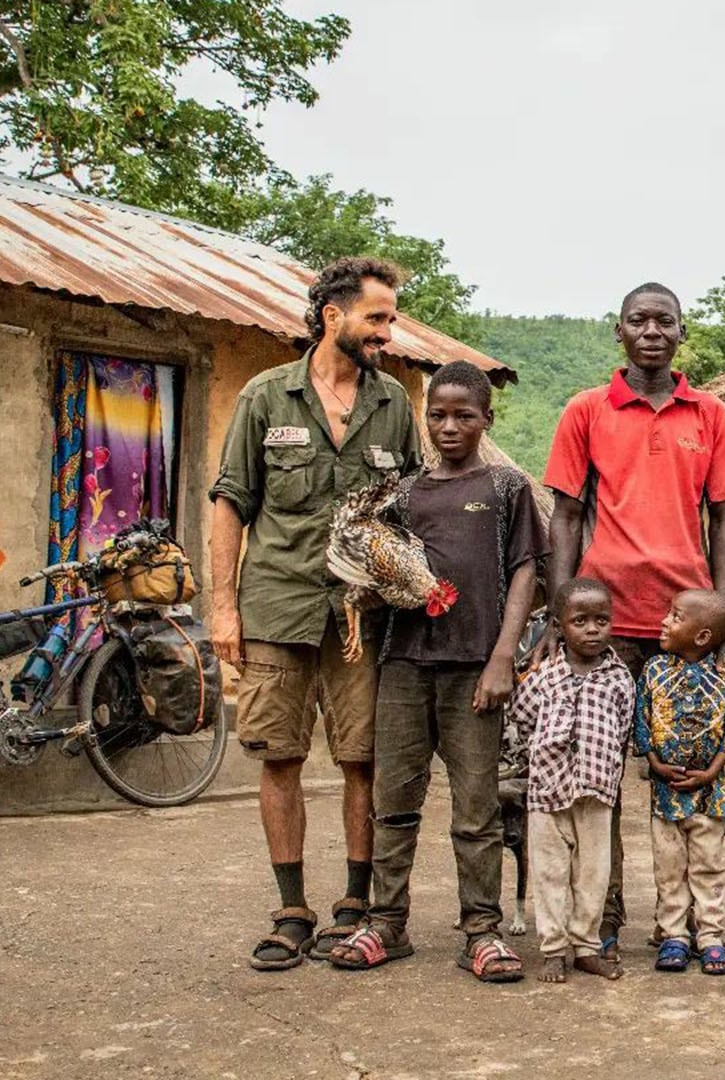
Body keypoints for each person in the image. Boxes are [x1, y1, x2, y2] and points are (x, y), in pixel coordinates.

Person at [209, 256, 422, 971]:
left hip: (360, 619)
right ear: (333, 316)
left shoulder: (393, 403)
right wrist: (222, 609)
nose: (387, 333)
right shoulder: (266, 397)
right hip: (276, 604)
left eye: (390, 319)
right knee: (280, 757)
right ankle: (291, 908)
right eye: (378, 318)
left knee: (363, 758)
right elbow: (230, 501)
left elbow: (413, 508)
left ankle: (356, 905)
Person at [541, 282, 725, 959]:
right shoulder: (586, 411)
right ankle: (600, 917)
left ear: (681, 333)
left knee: (685, 773)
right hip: (603, 624)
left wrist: (722, 615)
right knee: (595, 777)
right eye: (639, 320)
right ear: (619, 332)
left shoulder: (710, 414)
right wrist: (558, 612)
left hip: (684, 628)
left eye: (665, 320)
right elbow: (567, 518)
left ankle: (689, 925)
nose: (652, 330)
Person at [324, 362, 541, 982]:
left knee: (477, 807)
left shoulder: (506, 489)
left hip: (474, 666)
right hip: (404, 665)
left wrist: (504, 656)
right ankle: (386, 923)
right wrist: (369, 589)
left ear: (487, 419)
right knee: (394, 801)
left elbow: (526, 569)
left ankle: (482, 930)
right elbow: (376, 573)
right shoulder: (404, 492)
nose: (450, 426)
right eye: (439, 415)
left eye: (464, 415)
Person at [510, 578, 636, 984]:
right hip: (547, 791)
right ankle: (552, 948)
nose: (592, 629)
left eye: (602, 620)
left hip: (597, 792)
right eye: (580, 621)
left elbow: (624, 729)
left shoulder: (619, 679)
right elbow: (523, 718)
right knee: (549, 872)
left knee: (593, 874)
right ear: (560, 626)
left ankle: (585, 946)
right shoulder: (544, 675)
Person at [634, 590, 725, 976]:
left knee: (707, 865)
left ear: (702, 636)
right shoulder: (653, 671)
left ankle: (711, 936)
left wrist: (713, 771)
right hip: (665, 795)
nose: (664, 621)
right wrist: (654, 764)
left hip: (709, 796)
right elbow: (642, 721)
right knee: (669, 866)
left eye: (675, 616)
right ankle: (674, 935)